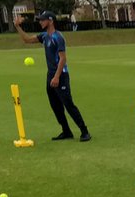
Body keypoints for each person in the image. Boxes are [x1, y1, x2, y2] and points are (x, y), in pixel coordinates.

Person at [15, 10, 91, 142]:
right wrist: (17, 27)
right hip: (50, 75)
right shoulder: (44, 36)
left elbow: (62, 59)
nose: (40, 22)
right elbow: (27, 40)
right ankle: (66, 131)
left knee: (68, 104)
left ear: (50, 21)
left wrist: (56, 77)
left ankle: (84, 131)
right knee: (55, 105)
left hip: (60, 75)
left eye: (42, 20)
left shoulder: (58, 37)